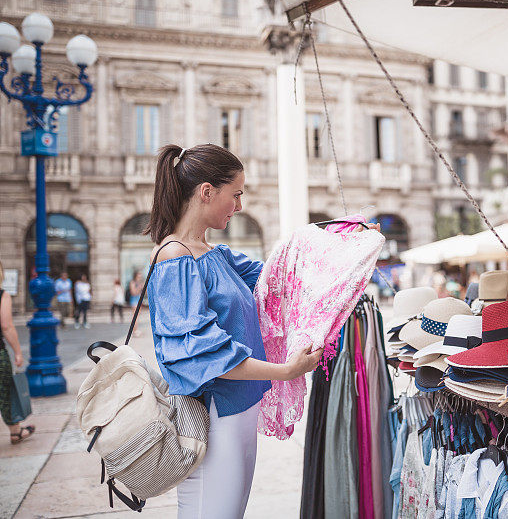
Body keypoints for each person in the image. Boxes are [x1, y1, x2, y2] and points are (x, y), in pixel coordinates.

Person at [143, 143, 379, 519]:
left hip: (237, 412)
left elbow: (285, 273)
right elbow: (201, 356)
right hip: (213, 415)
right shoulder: (175, 258)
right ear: (207, 192)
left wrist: (348, 236)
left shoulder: (213, 254)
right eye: (235, 194)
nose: (239, 205)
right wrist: (286, 371)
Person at [0, 261, 35, 444]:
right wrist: (18, 352)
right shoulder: (2, 295)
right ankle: (15, 431)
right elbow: (6, 326)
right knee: (5, 394)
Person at [128, 271, 144, 336]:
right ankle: (134, 331)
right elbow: (133, 292)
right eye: (138, 276)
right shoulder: (132, 282)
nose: (140, 277)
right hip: (134, 301)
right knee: (135, 317)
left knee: (137, 317)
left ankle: (136, 330)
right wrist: (140, 287)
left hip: (139, 301)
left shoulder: (139, 283)